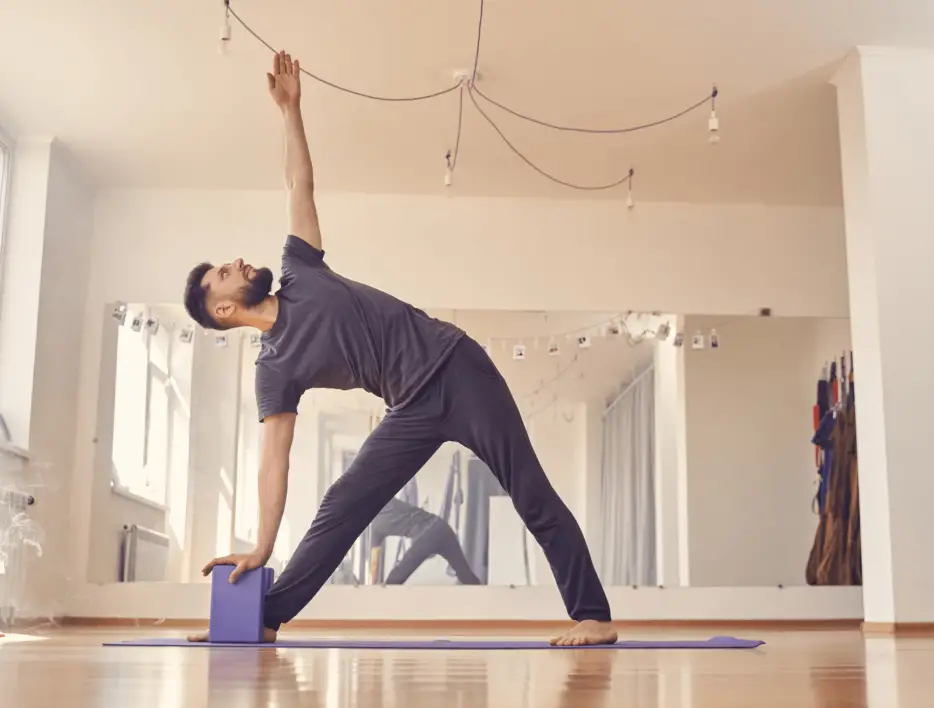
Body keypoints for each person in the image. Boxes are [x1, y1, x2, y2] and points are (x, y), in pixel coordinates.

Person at [182, 51, 616, 647]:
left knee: (529, 490)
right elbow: (272, 461)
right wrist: (262, 544)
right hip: (409, 409)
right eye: (221, 276)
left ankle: (592, 616)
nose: (233, 264)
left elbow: (298, 183)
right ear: (225, 311)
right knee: (344, 502)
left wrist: (291, 111)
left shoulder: (299, 269)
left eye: (227, 263)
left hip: (458, 368)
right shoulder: (274, 370)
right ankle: (266, 616)